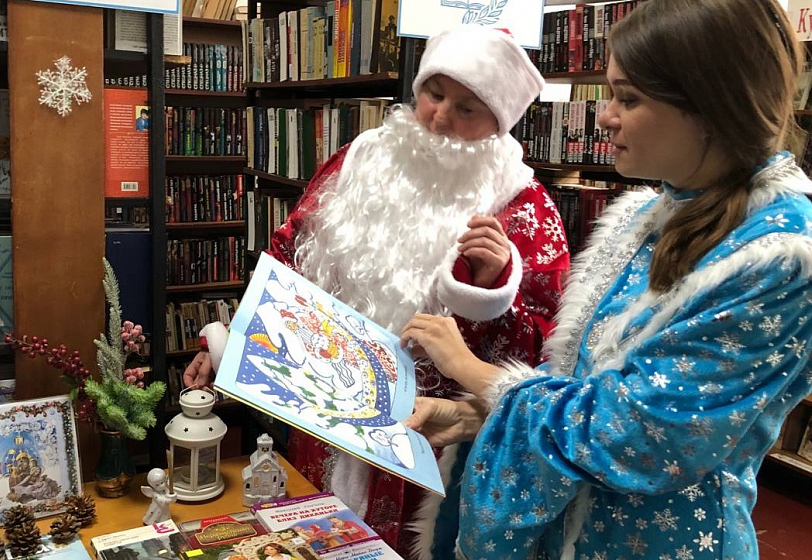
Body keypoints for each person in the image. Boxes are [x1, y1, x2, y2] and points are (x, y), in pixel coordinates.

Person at [400, 0, 812, 558]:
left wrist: (471, 372)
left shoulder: (780, 256)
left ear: (712, 105)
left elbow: (641, 435)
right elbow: (586, 383)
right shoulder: (650, 215)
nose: (605, 117)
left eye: (629, 98)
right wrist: (474, 415)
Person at [184, 26, 569, 557]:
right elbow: (287, 257)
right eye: (434, 94)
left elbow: (542, 356)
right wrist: (232, 341)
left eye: (466, 109)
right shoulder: (360, 159)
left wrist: (493, 285)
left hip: (428, 440)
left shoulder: (523, 206)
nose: (439, 118)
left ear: (499, 120)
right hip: (323, 412)